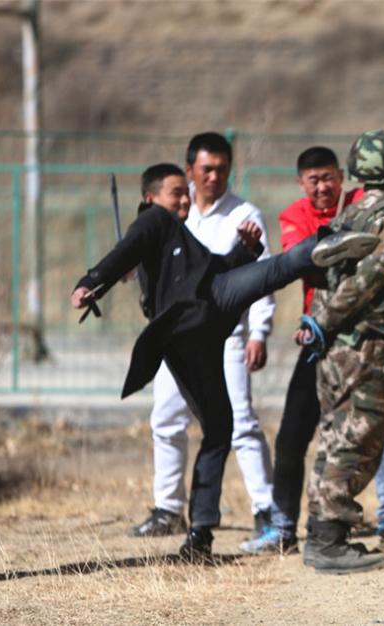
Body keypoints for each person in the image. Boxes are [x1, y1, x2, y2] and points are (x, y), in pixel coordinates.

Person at [70, 163, 377, 561]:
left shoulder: (179, 236)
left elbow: (208, 267)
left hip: (205, 311)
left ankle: (200, 536)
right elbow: (124, 251)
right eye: (175, 193)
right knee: (279, 271)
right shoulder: (152, 220)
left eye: (186, 193)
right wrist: (92, 280)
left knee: (220, 427)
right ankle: (320, 247)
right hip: (195, 320)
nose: (183, 200)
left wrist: (243, 252)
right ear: (151, 198)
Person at [241, 146, 384, 555]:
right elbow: (306, 262)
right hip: (318, 338)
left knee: (374, 428)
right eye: (313, 180)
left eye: (328, 178)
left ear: (342, 178)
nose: (321, 187)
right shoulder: (294, 216)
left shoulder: (359, 207)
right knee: (295, 433)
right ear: (301, 184)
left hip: (358, 339)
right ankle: (283, 527)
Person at [130, 132, 277, 542]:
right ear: (190, 168)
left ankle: (266, 511)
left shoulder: (244, 214)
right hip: (174, 338)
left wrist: (258, 332)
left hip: (225, 337)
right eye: (206, 168)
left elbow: (261, 276)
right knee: (165, 419)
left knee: (240, 423)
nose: (214, 176)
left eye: (222, 169)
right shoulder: (173, 213)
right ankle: (168, 508)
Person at [301, 129, 384, 574]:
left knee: (333, 438)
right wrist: (324, 323)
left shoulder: (352, 213)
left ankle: (323, 535)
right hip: (365, 345)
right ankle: (328, 542)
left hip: (337, 348)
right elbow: (368, 281)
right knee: (356, 438)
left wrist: (320, 327)